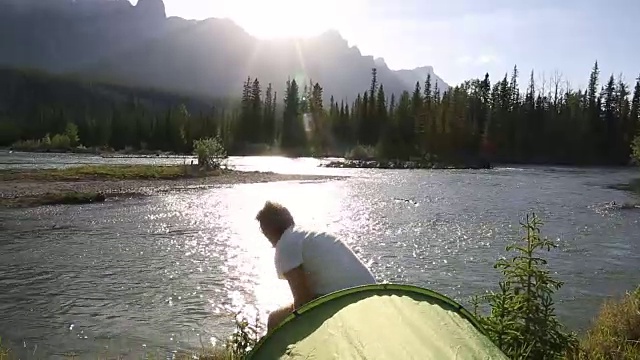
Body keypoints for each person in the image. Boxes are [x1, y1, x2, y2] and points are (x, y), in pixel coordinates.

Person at [255, 200, 377, 332]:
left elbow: (303, 301)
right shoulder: (308, 234)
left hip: (345, 302)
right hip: (372, 297)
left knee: (275, 320)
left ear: (268, 231)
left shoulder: (285, 244)